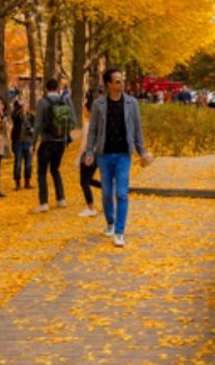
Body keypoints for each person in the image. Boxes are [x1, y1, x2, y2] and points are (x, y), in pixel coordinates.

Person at [82, 68, 153, 248]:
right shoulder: (99, 105)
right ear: (108, 84)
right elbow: (93, 131)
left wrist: (142, 151)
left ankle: (120, 232)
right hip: (104, 155)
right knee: (107, 193)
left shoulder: (132, 103)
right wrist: (90, 152)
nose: (121, 84)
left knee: (121, 193)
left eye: (122, 81)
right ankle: (110, 222)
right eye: (116, 81)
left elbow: (137, 129)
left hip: (123, 155)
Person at [33, 78, 73, 212]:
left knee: (42, 172)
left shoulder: (42, 102)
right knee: (55, 169)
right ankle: (61, 199)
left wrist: (33, 143)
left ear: (46, 88)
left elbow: (37, 124)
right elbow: (73, 120)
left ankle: (43, 202)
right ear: (58, 88)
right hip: (61, 142)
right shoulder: (65, 100)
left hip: (46, 142)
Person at [76, 88, 101, 217]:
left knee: (84, 182)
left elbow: (84, 144)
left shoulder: (87, 125)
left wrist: (78, 158)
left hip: (88, 156)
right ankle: (108, 187)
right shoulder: (98, 124)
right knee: (89, 179)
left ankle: (91, 207)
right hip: (97, 155)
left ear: (88, 110)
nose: (83, 111)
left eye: (84, 109)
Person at [9, 97, 35, 191]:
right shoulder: (16, 116)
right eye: (22, 105)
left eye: (25, 105)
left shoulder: (31, 116)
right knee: (18, 163)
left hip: (28, 142)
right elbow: (13, 112)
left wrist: (33, 143)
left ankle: (27, 181)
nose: (24, 107)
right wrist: (18, 104)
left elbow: (34, 129)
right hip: (18, 142)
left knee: (29, 164)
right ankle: (17, 182)